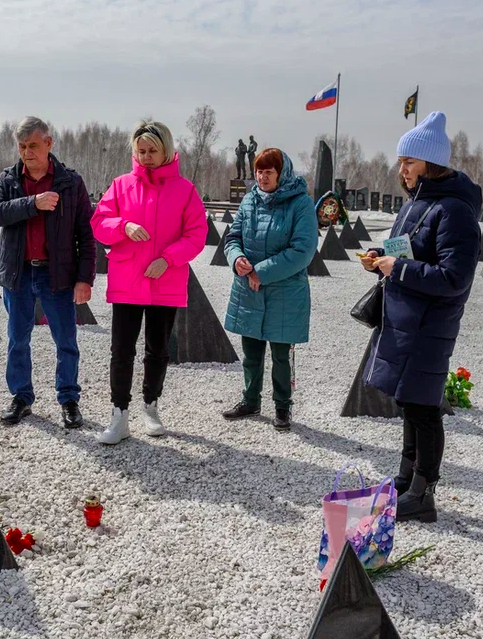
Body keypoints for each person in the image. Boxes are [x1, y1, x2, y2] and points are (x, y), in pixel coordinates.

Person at [359, 111, 481, 524]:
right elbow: (407, 249)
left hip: (429, 325)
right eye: (401, 162)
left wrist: (399, 269)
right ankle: (407, 477)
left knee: (425, 408)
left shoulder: (455, 212)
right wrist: (380, 258)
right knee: (411, 403)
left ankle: (424, 492)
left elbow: (454, 277)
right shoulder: (419, 205)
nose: (402, 169)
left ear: (431, 163)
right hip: (405, 319)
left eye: (409, 161)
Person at [91, 120, 207, 444]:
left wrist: (168, 259)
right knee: (121, 350)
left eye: (152, 150)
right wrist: (123, 226)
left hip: (164, 281)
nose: (145, 157)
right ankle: (119, 417)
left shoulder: (185, 190)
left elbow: (196, 234)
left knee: (157, 350)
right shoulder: (120, 185)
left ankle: (150, 407)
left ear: (166, 150)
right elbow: (99, 222)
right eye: (140, 151)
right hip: (128, 279)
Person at [0, 116, 96, 428]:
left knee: (66, 340)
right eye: (21, 146)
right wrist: (33, 203)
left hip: (56, 275)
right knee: (17, 338)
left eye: (33, 145)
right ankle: (21, 397)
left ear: (49, 143)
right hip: (17, 274)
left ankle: (69, 399)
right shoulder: (8, 179)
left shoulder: (71, 182)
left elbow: (86, 234)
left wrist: (85, 278)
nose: (27, 152)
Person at [221, 148, 316, 431]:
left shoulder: (300, 204)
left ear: (282, 173)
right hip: (249, 290)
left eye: (268, 172)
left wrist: (260, 273)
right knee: (251, 351)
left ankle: (282, 407)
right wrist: (236, 257)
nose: (262, 177)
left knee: (281, 355)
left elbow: (302, 250)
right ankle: (250, 400)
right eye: (259, 171)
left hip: (284, 292)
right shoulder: (250, 200)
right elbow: (233, 236)